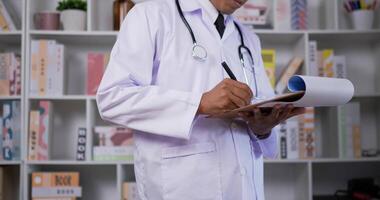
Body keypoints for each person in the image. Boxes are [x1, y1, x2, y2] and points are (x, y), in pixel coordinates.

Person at [96, 0, 305, 199]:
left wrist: (263, 128)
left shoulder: (248, 37)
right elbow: (112, 98)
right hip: (182, 188)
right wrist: (199, 104)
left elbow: (264, 103)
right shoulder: (151, 16)